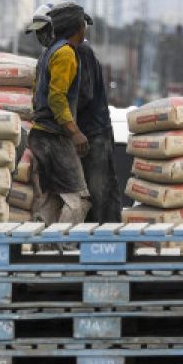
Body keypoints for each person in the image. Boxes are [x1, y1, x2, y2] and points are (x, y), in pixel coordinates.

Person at [27, 2, 92, 225]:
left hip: (41, 135)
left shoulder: (49, 52)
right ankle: (65, 245)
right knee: (78, 199)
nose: (86, 30)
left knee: (51, 199)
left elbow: (39, 94)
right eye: (84, 25)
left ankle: (42, 247)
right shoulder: (65, 53)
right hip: (55, 137)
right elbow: (56, 98)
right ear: (77, 27)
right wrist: (74, 132)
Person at [76, 26, 122, 223]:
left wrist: (62, 116)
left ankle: (105, 239)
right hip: (89, 132)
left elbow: (84, 93)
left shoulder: (81, 51)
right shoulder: (69, 51)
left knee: (99, 191)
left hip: (94, 133)